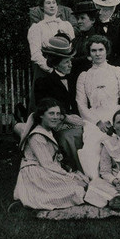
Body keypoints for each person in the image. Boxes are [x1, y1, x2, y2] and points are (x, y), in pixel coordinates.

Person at [13, 98, 89, 210]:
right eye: (51, 113)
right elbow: (47, 164)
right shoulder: (36, 136)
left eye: (58, 114)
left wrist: (64, 117)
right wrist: (70, 176)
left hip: (47, 169)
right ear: (41, 116)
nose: (55, 117)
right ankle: (31, 198)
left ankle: (32, 198)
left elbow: (81, 123)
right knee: (76, 189)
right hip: (36, 173)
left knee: (84, 181)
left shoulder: (50, 129)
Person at [75, 35, 120, 179]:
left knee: (118, 143)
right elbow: (81, 105)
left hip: (116, 115)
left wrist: (117, 121)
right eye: (94, 50)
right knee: (92, 145)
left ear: (107, 51)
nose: (98, 54)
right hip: (94, 119)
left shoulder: (117, 71)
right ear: (89, 53)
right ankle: (96, 179)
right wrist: (97, 122)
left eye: (101, 49)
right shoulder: (84, 76)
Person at [33, 36, 84, 173]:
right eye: (66, 62)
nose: (70, 65)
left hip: (80, 119)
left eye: (70, 61)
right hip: (58, 123)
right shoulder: (43, 83)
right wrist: (64, 117)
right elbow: (43, 108)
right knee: (66, 137)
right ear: (55, 64)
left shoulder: (76, 78)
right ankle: (75, 170)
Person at [27, 0, 75, 112]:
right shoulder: (37, 27)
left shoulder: (66, 25)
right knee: (45, 104)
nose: (52, 5)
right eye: (48, 3)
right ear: (42, 7)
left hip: (65, 70)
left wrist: (63, 67)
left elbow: (71, 47)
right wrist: (51, 69)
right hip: (45, 71)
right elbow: (35, 54)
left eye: (54, 2)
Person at [67, 1, 99, 103]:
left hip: (92, 83)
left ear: (92, 20)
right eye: (78, 18)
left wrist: (75, 60)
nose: (79, 21)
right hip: (75, 83)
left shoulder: (98, 39)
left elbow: (92, 59)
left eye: (82, 18)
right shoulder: (76, 39)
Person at [92, 0, 120, 69]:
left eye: (105, 10)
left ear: (112, 10)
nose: (101, 12)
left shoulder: (117, 29)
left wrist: (114, 67)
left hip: (112, 69)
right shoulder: (91, 27)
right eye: (98, 9)